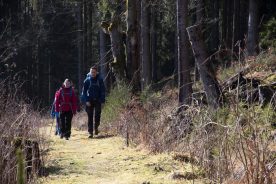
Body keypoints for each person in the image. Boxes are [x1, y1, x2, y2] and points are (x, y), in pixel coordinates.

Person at [82, 66, 105, 138]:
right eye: (92, 72)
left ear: (96, 72)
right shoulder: (87, 81)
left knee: (97, 115)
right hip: (89, 101)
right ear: (90, 72)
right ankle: (90, 132)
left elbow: (103, 91)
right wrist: (86, 101)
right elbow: (84, 92)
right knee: (90, 116)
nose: (93, 73)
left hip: (98, 100)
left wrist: (102, 100)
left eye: (94, 72)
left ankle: (96, 128)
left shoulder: (100, 80)